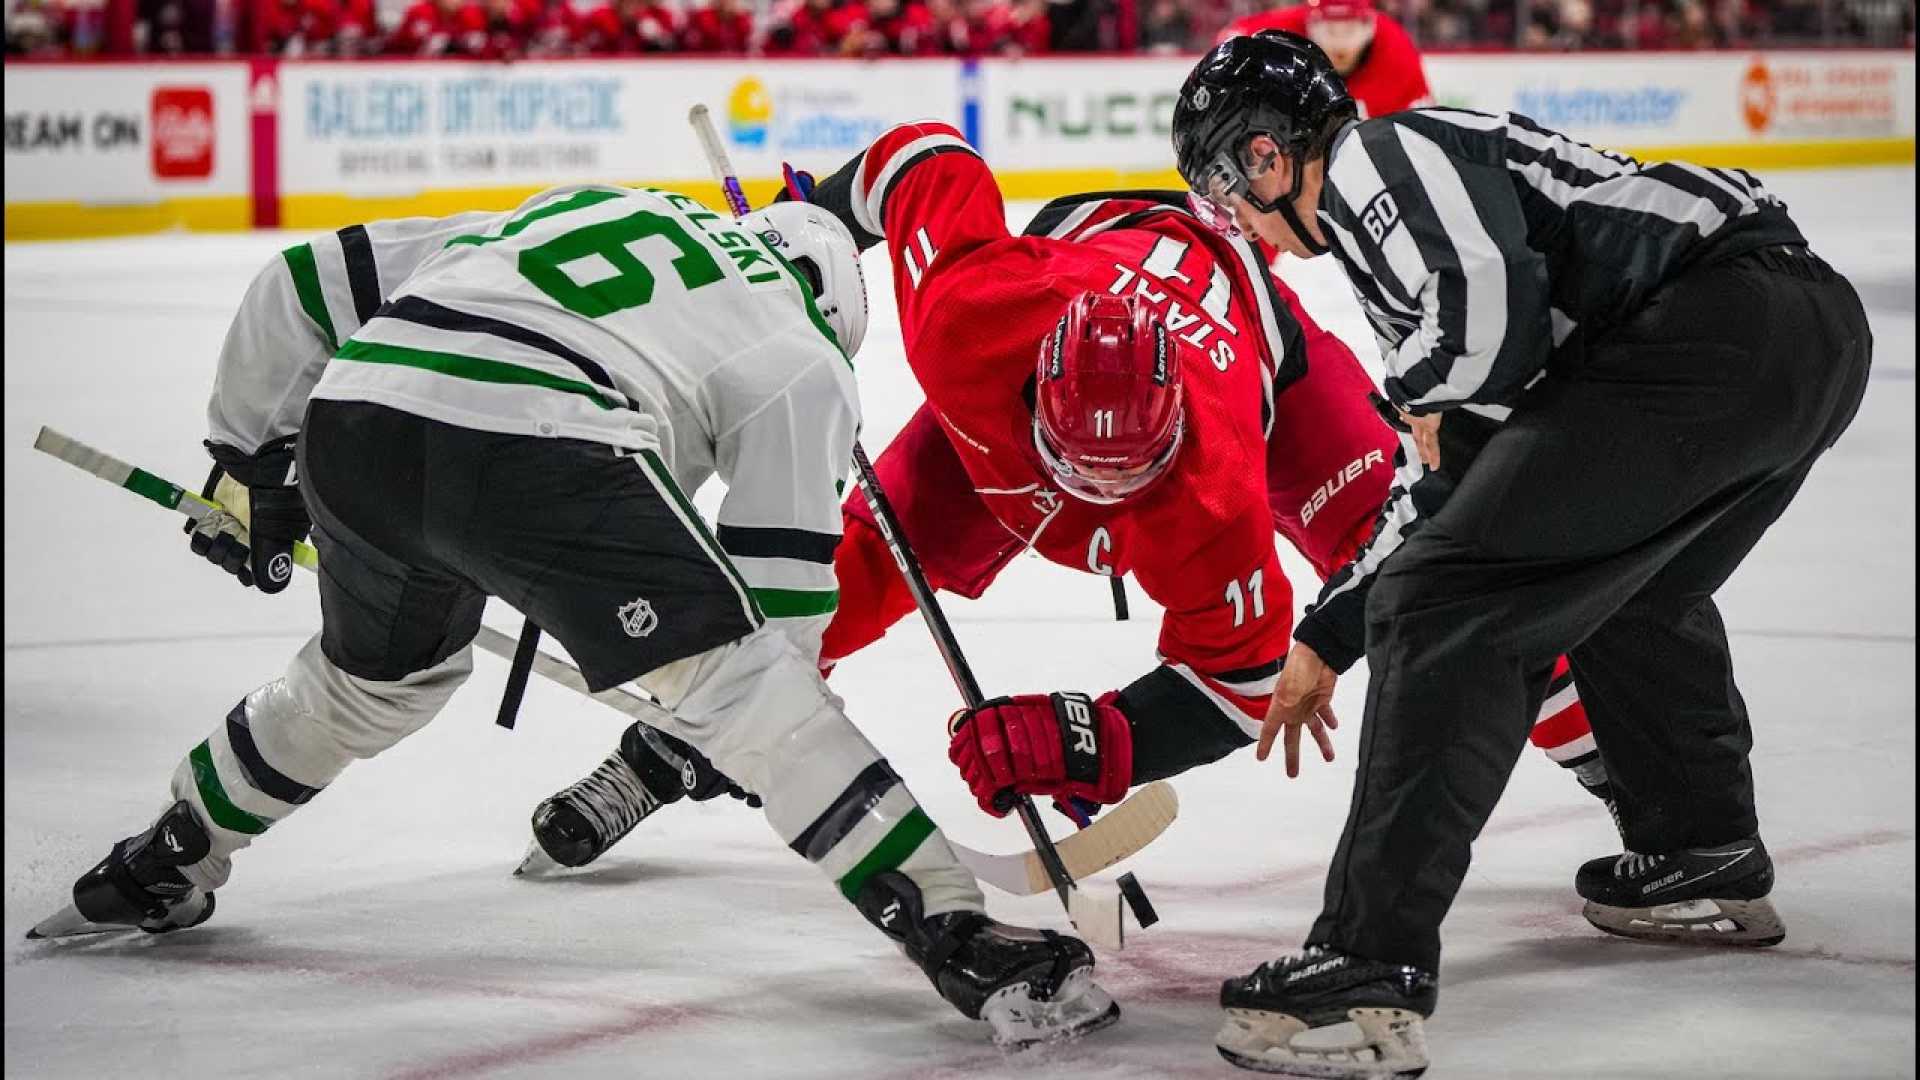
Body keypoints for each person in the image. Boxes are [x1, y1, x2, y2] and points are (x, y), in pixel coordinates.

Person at [27, 187, 1120, 1050]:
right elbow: (778, 623)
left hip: (356, 417)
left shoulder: (599, 206)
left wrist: (247, 462)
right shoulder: (807, 358)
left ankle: (165, 854)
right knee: (748, 693)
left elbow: (306, 278)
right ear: (837, 310)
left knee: (368, 685)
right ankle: (951, 929)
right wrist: (736, 731)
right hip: (538, 441)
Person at [1173, 31, 1871, 1077]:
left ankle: (1370, 970)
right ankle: (1700, 853)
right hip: (1794, 339)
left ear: (1268, 156)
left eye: (1225, 182)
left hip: (1717, 324)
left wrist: (1422, 406)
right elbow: (1451, 464)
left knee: (1441, 605)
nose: (1232, 213)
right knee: (1631, 588)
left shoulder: (1379, 156)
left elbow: (1484, 334)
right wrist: (1325, 636)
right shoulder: (1394, 251)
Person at [522, 119, 1401, 873]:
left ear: (1174, 442)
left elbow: (1241, 678)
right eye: (1074, 464)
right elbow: (925, 160)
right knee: (825, 594)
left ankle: (1545, 700)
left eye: (1123, 477)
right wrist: (806, 233)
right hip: (1016, 406)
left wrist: (1090, 740)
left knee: (1411, 565)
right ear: (1036, 391)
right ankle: (667, 751)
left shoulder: (1216, 496)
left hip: (1267, 346)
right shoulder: (974, 318)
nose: (1092, 493)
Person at [1219, 0, 1431, 118]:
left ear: (1368, 27)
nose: (1340, 43)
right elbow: (1228, 43)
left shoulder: (1397, 50)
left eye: (1348, 29)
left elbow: (1421, 126)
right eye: (1330, 29)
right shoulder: (1280, 29)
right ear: (1311, 24)